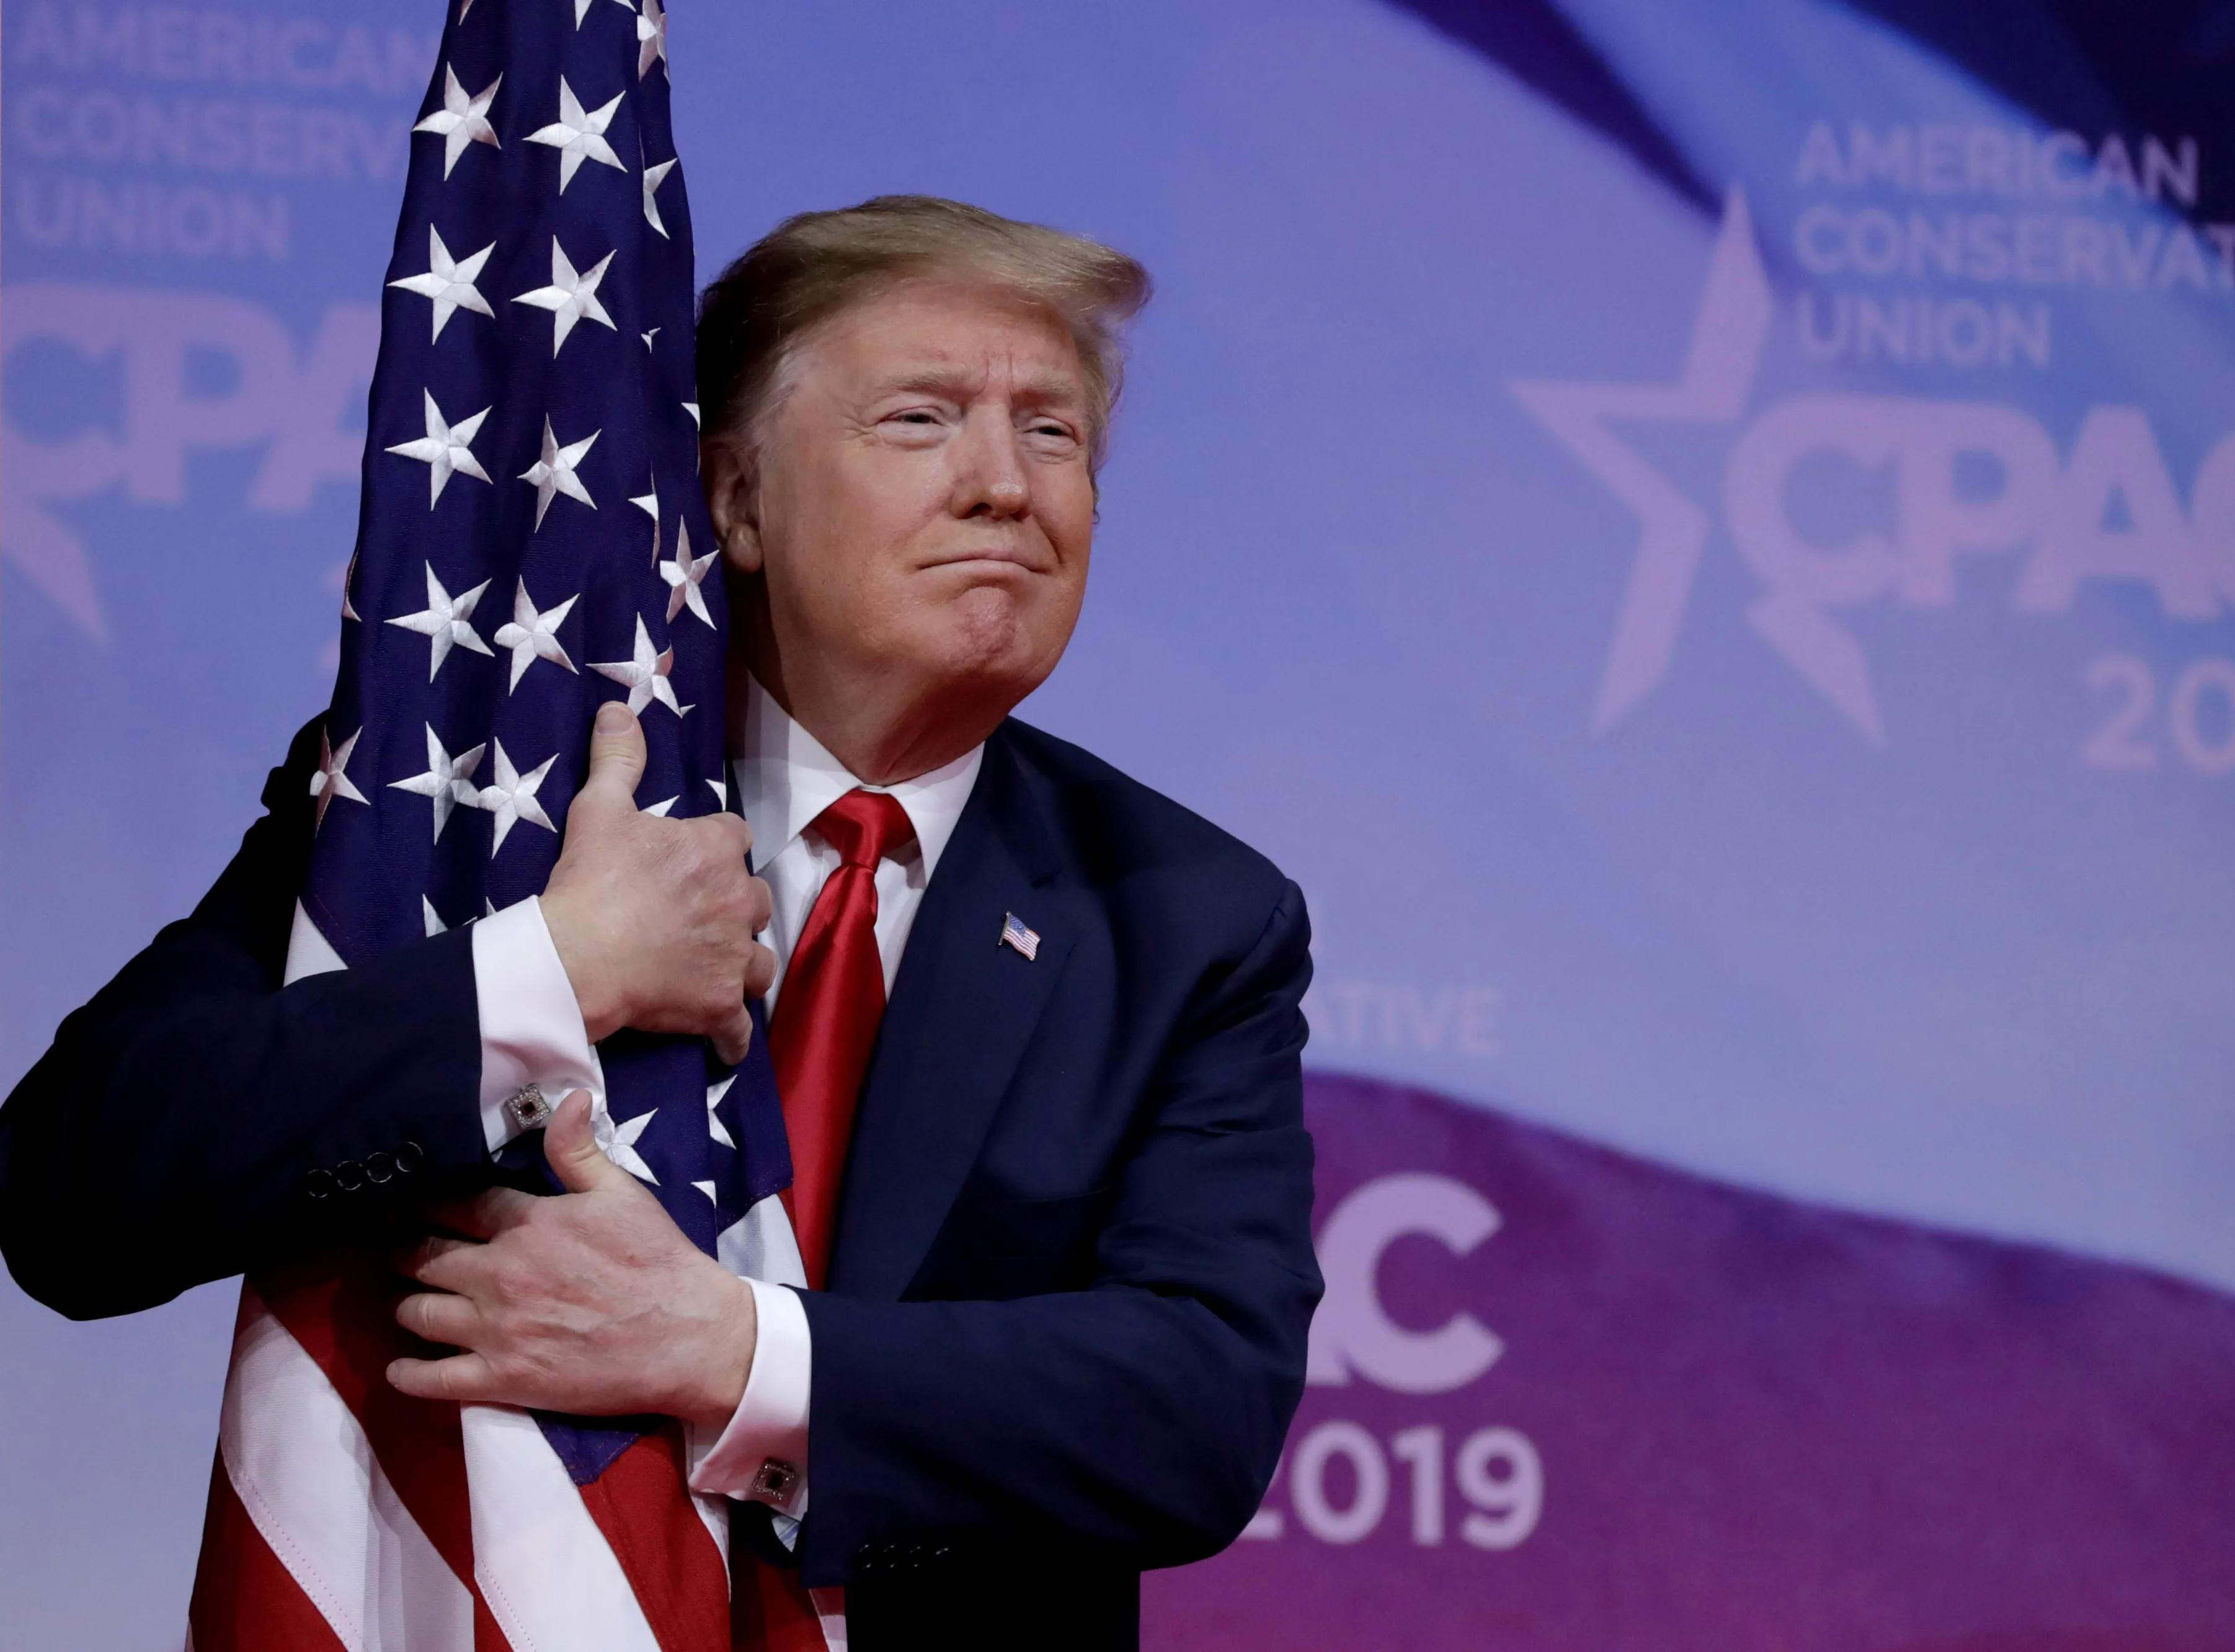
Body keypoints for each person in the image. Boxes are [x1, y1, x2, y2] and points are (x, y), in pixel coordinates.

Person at [0, 196, 1321, 1650]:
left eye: (1053, 433)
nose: (1006, 485)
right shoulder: (469, 797)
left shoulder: (1184, 914)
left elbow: (1198, 1406)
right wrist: (541, 972)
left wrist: (730, 1353)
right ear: (734, 501)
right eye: (921, 419)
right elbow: (76, 1191)